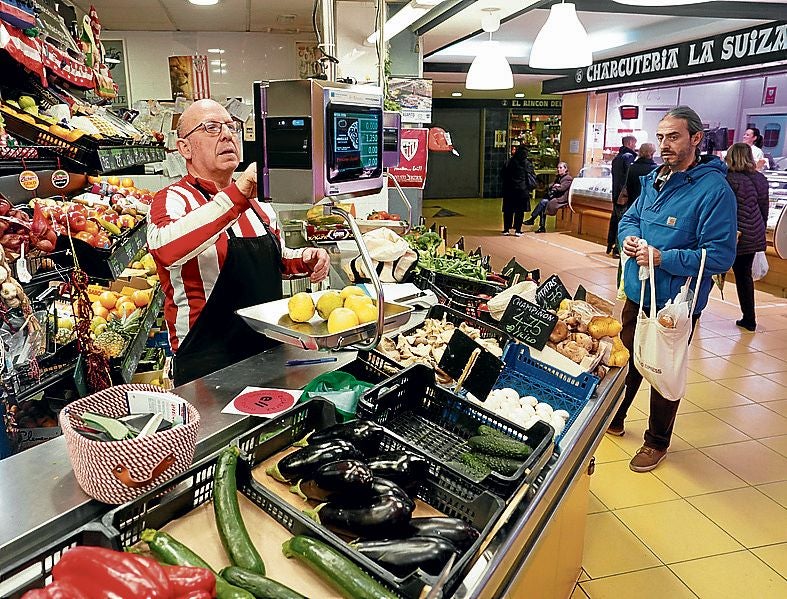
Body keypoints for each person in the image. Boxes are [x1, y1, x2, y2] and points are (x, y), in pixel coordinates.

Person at [147, 99, 330, 386]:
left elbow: (277, 258)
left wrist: (305, 258)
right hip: (206, 365)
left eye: (231, 127)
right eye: (211, 127)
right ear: (184, 148)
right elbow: (165, 250)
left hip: (267, 352)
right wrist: (237, 195)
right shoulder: (172, 199)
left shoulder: (255, 203)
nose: (227, 134)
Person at [608, 106, 737, 473]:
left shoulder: (714, 191)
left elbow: (719, 256)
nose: (665, 144)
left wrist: (664, 258)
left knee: (663, 370)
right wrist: (629, 237)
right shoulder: (655, 179)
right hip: (638, 290)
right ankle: (615, 416)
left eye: (674, 137)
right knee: (630, 356)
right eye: (661, 137)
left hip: (674, 304)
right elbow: (631, 216)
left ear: (696, 138)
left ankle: (656, 442)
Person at [725, 143, 769, 331]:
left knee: (710, 273)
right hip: (753, 233)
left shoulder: (728, 179)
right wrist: (760, 230)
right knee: (744, 276)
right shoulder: (760, 178)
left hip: (732, 234)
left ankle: (693, 311)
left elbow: (724, 210)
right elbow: (764, 208)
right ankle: (749, 318)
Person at [606, 135, 638, 256]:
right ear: (629, 143)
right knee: (624, 222)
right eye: (634, 144)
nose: (635, 146)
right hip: (624, 196)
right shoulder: (629, 157)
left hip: (616, 194)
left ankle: (611, 244)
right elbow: (628, 178)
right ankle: (617, 248)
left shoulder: (617, 158)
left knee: (615, 220)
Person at [524, 162, 573, 233]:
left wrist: (556, 186)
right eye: (558, 168)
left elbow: (562, 188)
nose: (558, 169)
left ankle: (533, 219)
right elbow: (553, 186)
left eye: (560, 168)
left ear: (565, 169)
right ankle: (540, 225)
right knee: (543, 204)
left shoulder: (568, 178)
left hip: (561, 199)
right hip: (555, 197)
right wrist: (555, 186)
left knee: (543, 202)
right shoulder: (559, 177)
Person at [500, 144, 536, 236]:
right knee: (520, 211)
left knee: (508, 210)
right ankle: (518, 230)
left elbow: (502, 175)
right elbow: (532, 176)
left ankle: (506, 229)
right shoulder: (527, 164)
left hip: (509, 190)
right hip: (522, 191)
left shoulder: (509, 162)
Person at [616, 143, 658, 215]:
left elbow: (627, 186)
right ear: (652, 153)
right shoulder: (655, 169)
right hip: (648, 207)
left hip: (632, 205)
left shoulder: (632, 167)